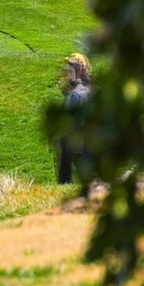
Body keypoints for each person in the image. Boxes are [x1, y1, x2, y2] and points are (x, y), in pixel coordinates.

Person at [56, 52, 93, 186]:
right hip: (88, 144)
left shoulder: (75, 95)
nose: (67, 72)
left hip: (74, 145)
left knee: (65, 181)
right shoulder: (91, 89)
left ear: (79, 70)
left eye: (70, 69)